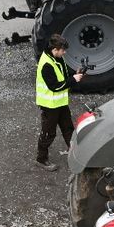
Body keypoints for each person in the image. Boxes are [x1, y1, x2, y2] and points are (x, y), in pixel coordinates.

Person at [34, 33, 84, 170]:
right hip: (50, 105)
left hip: (60, 103)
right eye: (63, 50)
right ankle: (41, 158)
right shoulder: (46, 65)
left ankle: (76, 154)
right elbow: (55, 86)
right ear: (55, 49)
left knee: (68, 129)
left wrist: (75, 74)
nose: (65, 52)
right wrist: (73, 80)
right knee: (48, 133)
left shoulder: (57, 58)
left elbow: (63, 74)